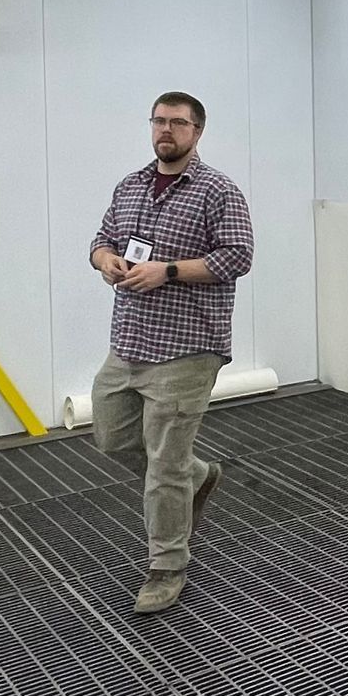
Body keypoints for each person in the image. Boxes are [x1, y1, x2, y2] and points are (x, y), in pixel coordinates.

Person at [89, 91, 254, 613]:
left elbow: (238, 256)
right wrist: (106, 261)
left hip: (187, 348)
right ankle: (197, 475)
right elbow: (100, 240)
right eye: (159, 121)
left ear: (196, 132)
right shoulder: (131, 185)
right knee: (111, 436)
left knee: (163, 465)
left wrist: (170, 270)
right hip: (130, 342)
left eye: (178, 123)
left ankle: (167, 567)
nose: (166, 130)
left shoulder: (218, 190)